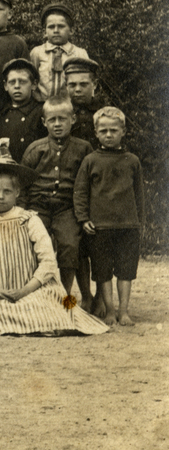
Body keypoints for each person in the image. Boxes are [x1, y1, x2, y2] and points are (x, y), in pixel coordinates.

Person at [0, 161, 107, 336]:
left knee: (53, 307)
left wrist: (25, 290)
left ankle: (40, 320)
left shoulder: (28, 219)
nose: (0, 196)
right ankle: (27, 322)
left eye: (7, 191)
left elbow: (48, 261)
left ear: (17, 192)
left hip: (31, 289)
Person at [21, 95, 94, 312]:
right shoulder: (36, 149)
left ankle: (65, 296)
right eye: (52, 120)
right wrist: (23, 211)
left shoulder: (83, 148)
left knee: (69, 244)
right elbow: (22, 183)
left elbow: (90, 181)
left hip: (67, 207)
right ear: (44, 122)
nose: (57, 124)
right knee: (33, 244)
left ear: (73, 120)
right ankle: (37, 295)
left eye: (62, 119)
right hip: (38, 206)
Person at [74, 107, 144, 326]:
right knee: (102, 272)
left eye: (114, 130)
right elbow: (80, 192)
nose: (109, 135)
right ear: (96, 132)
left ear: (123, 131)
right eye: (103, 130)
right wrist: (84, 218)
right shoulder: (90, 160)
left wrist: (140, 223)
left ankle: (124, 311)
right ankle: (110, 311)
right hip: (99, 227)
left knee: (126, 271)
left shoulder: (132, 160)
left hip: (127, 227)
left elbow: (139, 195)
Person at [30, 4, 90, 101]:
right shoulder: (37, 52)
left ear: (71, 30)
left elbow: (87, 82)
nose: (56, 30)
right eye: (51, 27)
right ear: (44, 32)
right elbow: (31, 80)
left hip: (70, 105)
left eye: (61, 26)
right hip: (42, 104)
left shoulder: (79, 53)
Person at [0, 58, 46, 163]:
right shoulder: (0, 114)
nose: (17, 86)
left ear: (34, 84)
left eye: (22, 82)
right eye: (12, 82)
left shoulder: (41, 112)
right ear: (5, 86)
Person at [63, 57, 108, 145]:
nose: (78, 89)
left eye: (83, 84)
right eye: (72, 85)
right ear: (66, 86)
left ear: (94, 84)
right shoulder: (62, 112)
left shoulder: (105, 112)